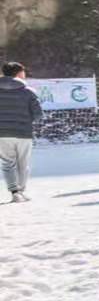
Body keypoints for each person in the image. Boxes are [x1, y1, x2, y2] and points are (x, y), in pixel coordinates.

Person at [0, 61, 44, 203]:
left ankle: (14, 192)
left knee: (8, 163)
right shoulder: (28, 92)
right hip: (24, 132)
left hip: (2, 133)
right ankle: (21, 191)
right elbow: (38, 114)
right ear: (19, 73)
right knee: (22, 163)